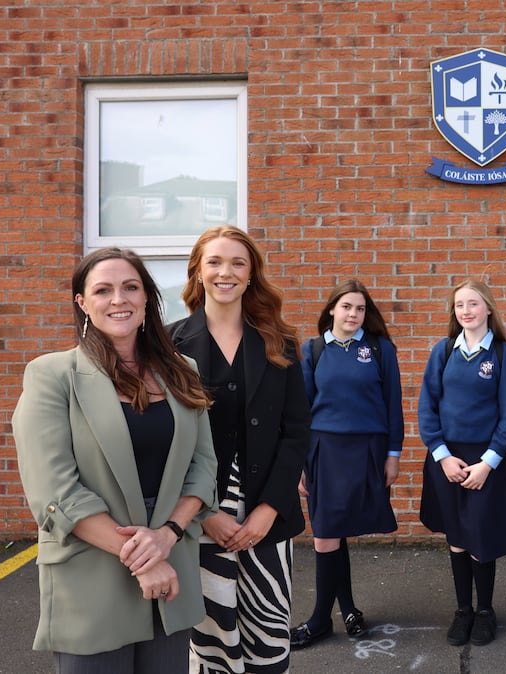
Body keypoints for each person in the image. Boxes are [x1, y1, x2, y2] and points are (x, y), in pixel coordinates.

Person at [12, 247, 218, 673]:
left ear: (146, 298)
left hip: (171, 572)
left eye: (130, 287)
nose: (118, 299)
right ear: (82, 303)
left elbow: (203, 468)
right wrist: (145, 559)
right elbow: (54, 491)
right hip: (92, 574)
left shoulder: (184, 371)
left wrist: (167, 536)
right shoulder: (52, 375)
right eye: (103, 290)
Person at [169, 226, 312, 674]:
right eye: (214, 262)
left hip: (267, 516)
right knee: (212, 646)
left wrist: (269, 508)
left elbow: (297, 431)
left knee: (268, 645)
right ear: (197, 272)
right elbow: (167, 440)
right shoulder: (169, 345)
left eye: (238, 263)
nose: (225, 272)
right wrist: (204, 512)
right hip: (198, 517)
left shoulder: (280, 341)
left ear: (252, 275)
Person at [290, 280, 404, 649]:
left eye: (360, 309)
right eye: (346, 307)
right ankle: (323, 618)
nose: (353, 314)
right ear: (332, 310)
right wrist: (299, 464)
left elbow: (393, 405)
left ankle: (349, 609)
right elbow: (300, 413)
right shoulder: (313, 350)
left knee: (338, 532)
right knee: (325, 535)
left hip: (367, 449)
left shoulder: (380, 349)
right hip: (325, 450)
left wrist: (393, 454)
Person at [418, 280, 506, 647]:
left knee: (480, 538)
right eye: (460, 305)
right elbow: (427, 408)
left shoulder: (504, 356)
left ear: (489, 309)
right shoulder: (443, 351)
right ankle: (463, 610)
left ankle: (485, 611)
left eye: (473, 304)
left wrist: (487, 463)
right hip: (447, 460)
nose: (466, 311)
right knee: (457, 540)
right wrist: (442, 456)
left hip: (485, 462)